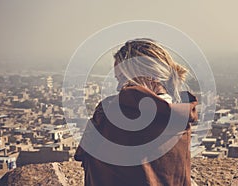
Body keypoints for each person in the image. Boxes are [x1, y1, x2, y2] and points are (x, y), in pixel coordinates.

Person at [75, 38, 198, 186]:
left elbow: (84, 155)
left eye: (123, 78)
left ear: (150, 75)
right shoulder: (182, 116)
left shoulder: (109, 112)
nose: (119, 87)